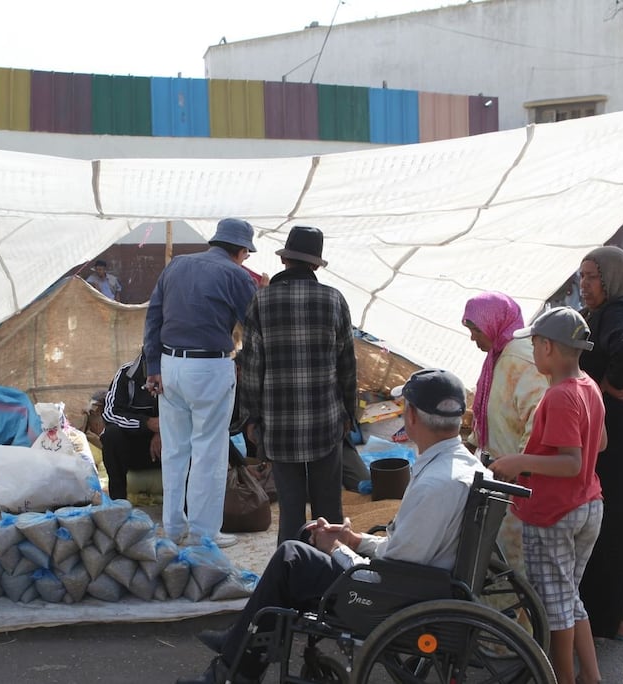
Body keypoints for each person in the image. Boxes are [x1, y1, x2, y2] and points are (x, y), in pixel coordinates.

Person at [177, 368, 485, 684]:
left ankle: (232, 665)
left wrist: (337, 550)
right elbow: (405, 551)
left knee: (292, 557)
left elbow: (397, 566)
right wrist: (354, 540)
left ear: (414, 417)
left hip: (394, 597)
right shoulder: (464, 467)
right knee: (304, 546)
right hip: (422, 583)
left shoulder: (435, 484)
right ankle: (239, 648)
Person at [489, 307, 606, 684]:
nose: (533, 353)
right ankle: (591, 676)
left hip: (555, 511)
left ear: (549, 347)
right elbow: (599, 442)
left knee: (554, 609)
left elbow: (571, 462)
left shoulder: (559, 396)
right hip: (589, 504)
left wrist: (518, 461)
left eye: (536, 344)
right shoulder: (589, 385)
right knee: (569, 599)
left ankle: (562, 679)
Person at [143, 218, 258, 548]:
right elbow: (255, 323)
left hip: (168, 365)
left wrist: (154, 366)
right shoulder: (236, 274)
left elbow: (154, 316)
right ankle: (203, 534)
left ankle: (173, 527)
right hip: (208, 367)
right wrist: (260, 293)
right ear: (240, 251)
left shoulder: (177, 265)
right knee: (209, 451)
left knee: (176, 450)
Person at [239, 226, 356, 544]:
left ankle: (290, 573)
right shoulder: (334, 300)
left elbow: (250, 367)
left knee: (291, 509)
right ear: (316, 265)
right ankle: (330, 572)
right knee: (328, 505)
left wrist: (251, 417)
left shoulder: (261, 302)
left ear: (285, 261)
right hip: (325, 421)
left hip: (279, 424)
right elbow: (347, 364)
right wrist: (349, 412)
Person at [575, 246, 623, 643]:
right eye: (583, 277)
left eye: (593, 277)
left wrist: (611, 382)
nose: (585, 284)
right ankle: (619, 619)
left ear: (611, 278)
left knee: (611, 525)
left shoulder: (617, 312)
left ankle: (606, 621)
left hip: (620, 435)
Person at [462, 292, 549, 575]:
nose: (473, 338)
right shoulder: (498, 354)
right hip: (498, 473)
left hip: (514, 481)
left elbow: (537, 420)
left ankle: (512, 618)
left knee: (511, 562)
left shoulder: (520, 359)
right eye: (470, 330)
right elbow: (489, 408)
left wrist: (519, 465)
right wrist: (472, 443)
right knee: (496, 556)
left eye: (476, 329)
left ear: (495, 322)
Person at [100, 351, 162, 501]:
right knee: (111, 435)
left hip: (169, 447)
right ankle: (119, 503)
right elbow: (110, 413)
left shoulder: (180, 374)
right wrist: (147, 424)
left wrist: (162, 432)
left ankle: (187, 510)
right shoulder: (126, 375)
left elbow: (189, 413)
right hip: (135, 451)